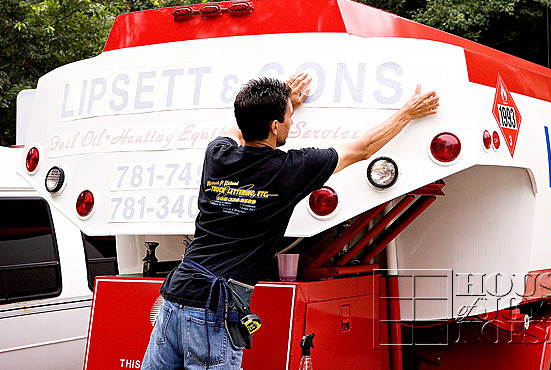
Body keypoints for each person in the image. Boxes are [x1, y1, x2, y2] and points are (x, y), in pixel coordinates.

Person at [141, 73, 439, 370]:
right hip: (212, 312)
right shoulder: (290, 169)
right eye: (288, 117)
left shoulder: (217, 154)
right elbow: (361, 150)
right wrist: (406, 114)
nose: (292, 122)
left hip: (173, 300)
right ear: (274, 125)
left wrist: (278, 99)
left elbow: (239, 128)